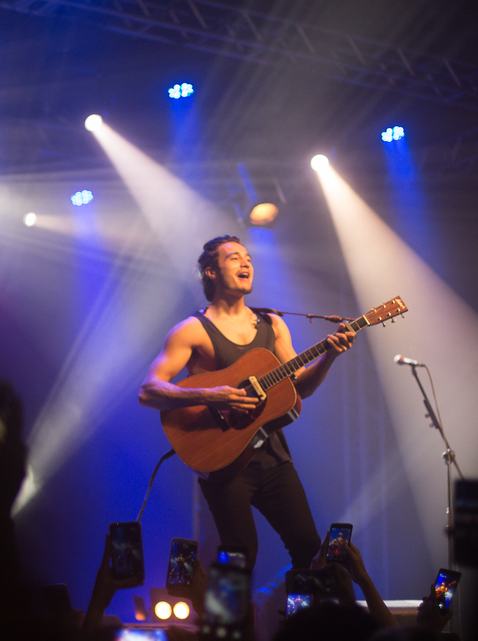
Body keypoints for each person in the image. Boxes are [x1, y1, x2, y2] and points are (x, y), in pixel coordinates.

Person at [138, 235, 355, 570]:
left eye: (248, 258)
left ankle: (301, 608)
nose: (246, 263)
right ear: (211, 272)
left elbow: (300, 389)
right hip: (223, 461)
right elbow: (148, 391)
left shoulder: (273, 324)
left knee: (310, 551)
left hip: (274, 458)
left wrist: (328, 357)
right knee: (239, 561)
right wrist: (210, 395)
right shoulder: (192, 330)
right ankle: (224, 609)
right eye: (234, 258)